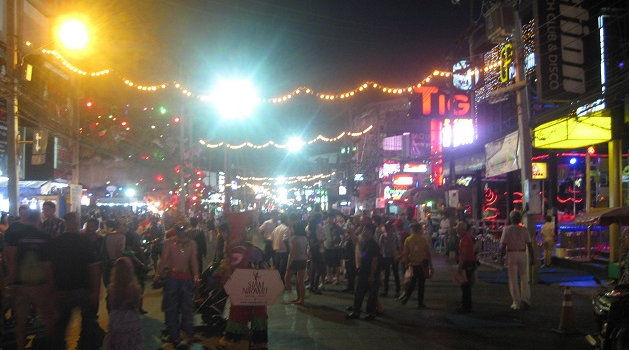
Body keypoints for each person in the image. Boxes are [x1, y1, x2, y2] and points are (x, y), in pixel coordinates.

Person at [42, 212, 103, 350]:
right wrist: (95, 290)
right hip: (83, 289)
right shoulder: (85, 241)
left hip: (62, 289)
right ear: (77, 223)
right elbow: (94, 267)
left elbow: (47, 267)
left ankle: (59, 346)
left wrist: (51, 288)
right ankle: (83, 346)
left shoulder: (55, 242)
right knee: (87, 324)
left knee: (61, 324)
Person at [5, 209, 55, 350]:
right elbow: (47, 264)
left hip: (21, 285)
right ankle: (52, 345)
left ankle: (21, 346)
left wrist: (12, 282)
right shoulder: (44, 237)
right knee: (48, 318)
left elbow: (12, 259)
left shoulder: (15, 236)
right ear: (38, 220)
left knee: (20, 323)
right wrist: (49, 285)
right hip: (39, 285)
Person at [154, 225, 199, 346]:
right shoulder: (192, 244)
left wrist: (158, 275)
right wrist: (196, 277)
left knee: (171, 307)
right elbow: (194, 262)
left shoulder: (169, 242)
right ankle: (189, 333)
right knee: (187, 306)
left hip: (172, 277)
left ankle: (174, 335)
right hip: (186, 277)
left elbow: (163, 260)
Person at [499, 210, 535, 311]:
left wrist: (501, 258)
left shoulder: (507, 229)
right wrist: (532, 257)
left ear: (511, 219)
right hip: (522, 253)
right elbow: (529, 245)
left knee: (513, 278)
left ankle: (516, 302)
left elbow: (503, 245)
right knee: (524, 276)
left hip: (511, 254)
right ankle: (526, 299)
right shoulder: (524, 230)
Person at [346, 222, 381, 321]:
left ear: (371, 232)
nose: (364, 231)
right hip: (363, 271)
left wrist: (372, 275)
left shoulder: (373, 245)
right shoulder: (364, 242)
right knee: (359, 293)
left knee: (372, 295)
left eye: (366, 230)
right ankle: (356, 311)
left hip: (370, 273)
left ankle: (371, 313)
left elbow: (375, 261)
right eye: (364, 229)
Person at [106, 257, 143, 350]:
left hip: (116, 321)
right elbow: (137, 306)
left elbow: (110, 306)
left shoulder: (111, 288)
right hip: (131, 321)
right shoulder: (136, 288)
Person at [400, 222, 432, 309]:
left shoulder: (408, 239)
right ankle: (420, 303)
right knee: (421, 284)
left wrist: (406, 264)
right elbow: (428, 253)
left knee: (412, 283)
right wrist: (431, 265)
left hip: (412, 265)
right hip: (422, 265)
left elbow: (406, 253)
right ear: (418, 230)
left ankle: (406, 298)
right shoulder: (423, 240)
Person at [285, 217, 308, 304]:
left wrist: (289, 263)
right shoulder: (304, 238)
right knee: (300, 281)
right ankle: (300, 298)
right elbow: (305, 251)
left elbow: (292, 252)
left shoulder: (294, 238)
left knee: (287, 278)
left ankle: (292, 294)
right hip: (303, 259)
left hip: (295, 260)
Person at [456, 221, 476, 314]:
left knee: (465, 286)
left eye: (458, 229)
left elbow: (464, 254)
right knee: (465, 286)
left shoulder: (465, 239)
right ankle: (465, 305)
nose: (457, 230)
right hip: (468, 263)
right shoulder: (464, 239)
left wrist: (460, 267)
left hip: (467, 264)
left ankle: (466, 306)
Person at [379, 222, 400, 298]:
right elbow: (380, 247)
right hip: (386, 256)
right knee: (387, 274)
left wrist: (398, 256)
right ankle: (386, 291)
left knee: (395, 274)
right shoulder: (383, 236)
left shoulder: (395, 236)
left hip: (393, 256)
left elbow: (398, 246)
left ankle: (397, 291)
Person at [306, 213, 325, 295]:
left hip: (311, 251)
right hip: (317, 251)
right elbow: (315, 242)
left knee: (313, 268)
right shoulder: (318, 229)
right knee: (318, 269)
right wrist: (320, 241)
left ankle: (311, 284)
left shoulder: (308, 230)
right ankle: (315, 286)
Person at [323, 212, 344, 284]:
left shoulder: (337, 227)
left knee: (337, 265)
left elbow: (345, 235)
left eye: (332, 218)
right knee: (329, 264)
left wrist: (340, 243)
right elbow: (324, 236)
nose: (331, 219)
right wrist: (324, 242)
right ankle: (330, 278)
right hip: (328, 247)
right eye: (329, 218)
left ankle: (337, 279)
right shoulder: (325, 227)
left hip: (336, 249)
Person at [271, 214, 291, 283]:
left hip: (276, 250)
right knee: (282, 268)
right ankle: (282, 282)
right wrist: (288, 249)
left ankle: (276, 281)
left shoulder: (276, 228)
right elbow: (285, 240)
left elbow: (272, 237)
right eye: (288, 219)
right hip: (284, 251)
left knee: (277, 266)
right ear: (285, 219)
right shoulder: (286, 228)